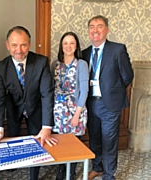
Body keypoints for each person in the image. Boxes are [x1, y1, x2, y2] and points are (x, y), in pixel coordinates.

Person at [0, 26, 58, 180]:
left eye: (23, 45)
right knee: (13, 137)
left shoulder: (41, 62)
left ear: (30, 44)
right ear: (7, 45)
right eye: (14, 45)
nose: (19, 50)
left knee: (37, 142)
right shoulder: (1, 67)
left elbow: (47, 94)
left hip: (35, 107)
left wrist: (47, 126)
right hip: (14, 108)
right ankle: (15, 167)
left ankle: (34, 175)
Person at [82, 15, 134, 180]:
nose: (95, 30)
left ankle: (109, 174)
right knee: (95, 137)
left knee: (109, 140)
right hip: (91, 103)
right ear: (88, 31)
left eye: (99, 26)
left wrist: (112, 92)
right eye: (92, 26)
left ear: (107, 30)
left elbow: (127, 76)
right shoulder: (85, 53)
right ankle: (97, 167)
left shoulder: (117, 49)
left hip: (109, 104)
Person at [51, 32, 89, 180]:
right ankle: (61, 171)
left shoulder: (81, 64)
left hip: (75, 109)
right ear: (61, 45)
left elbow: (84, 90)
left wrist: (77, 115)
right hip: (58, 111)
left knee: (73, 143)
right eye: (65, 43)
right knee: (60, 142)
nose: (68, 46)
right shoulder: (55, 64)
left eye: (72, 43)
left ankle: (71, 173)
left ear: (76, 45)